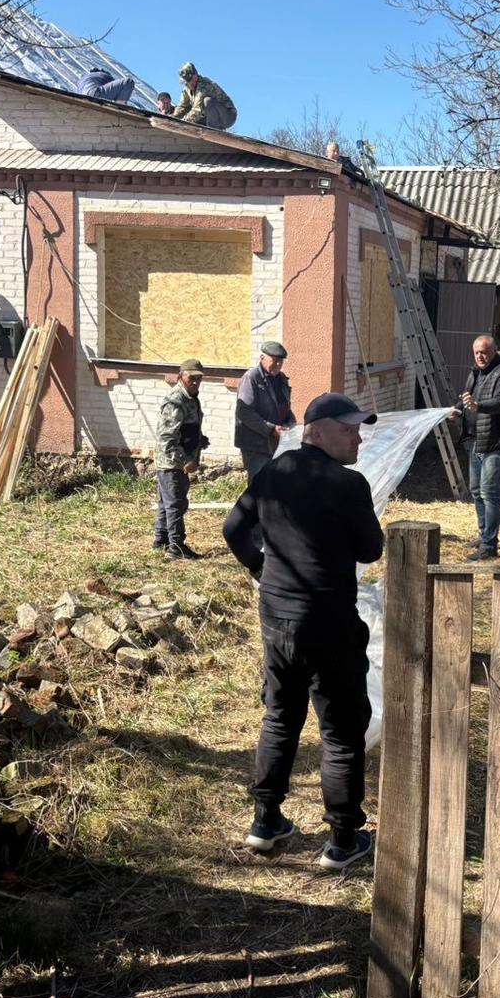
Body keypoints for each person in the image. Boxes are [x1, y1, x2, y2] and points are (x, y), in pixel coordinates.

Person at [222, 392, 382, 871]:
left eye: (359, 430)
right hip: (329, 622)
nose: (358, 438)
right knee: (341, 731)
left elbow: (233, 529)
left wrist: (261, 568)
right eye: (349, 429)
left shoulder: (274, 472)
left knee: (280, 716)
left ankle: (266, 822)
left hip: (277, 618)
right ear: (318, 430)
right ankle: (343, 840)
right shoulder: (348, 484)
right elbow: (371, 550)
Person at [457, 334, 500, 560]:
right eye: (476, 352)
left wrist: (478, 406)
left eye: (484, 352)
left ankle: (489, 546)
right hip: (475, 440)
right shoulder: (475, 372)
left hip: (496, 441)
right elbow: (467, 399)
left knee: (489, 492)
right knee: (476, 490)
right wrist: (457, 409)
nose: (480, 356)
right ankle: (484, 534)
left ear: (494, 351)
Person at [153, 359, 209, 560]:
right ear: (180, 376)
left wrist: (200, 439)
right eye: (191, 377)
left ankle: (161, 540)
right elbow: (166, 438)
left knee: (166, 503)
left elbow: (185, 428)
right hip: (172, 463)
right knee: (176, 504)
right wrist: (185, 460)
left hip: (177, 461)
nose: (195, 382)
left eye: (198, 378)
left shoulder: (191, 398)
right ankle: (176, 547)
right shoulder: (176, 400)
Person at [234, 341, 295, 480]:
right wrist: (271, 429)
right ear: (262, 358)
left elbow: (285, 406)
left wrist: (290, 423)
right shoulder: (251, 378)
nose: (278, 364)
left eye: (281, 361)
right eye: (274, 360)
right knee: (259, 484)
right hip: (257, 444)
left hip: (277, 442)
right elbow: (244, 412)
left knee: (274, 483)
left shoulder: (282, 379)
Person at [171, 62, 238, 130]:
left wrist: (182, 123)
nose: (188, 84)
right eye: (186, 82)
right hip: (208, 116)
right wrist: (172, 118)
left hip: (228, 116)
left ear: (195, 76)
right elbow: (183, 106)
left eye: (190, 80)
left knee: (207, 101)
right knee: (195, 120)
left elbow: (197, 110)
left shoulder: (204, 85)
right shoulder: (187, 89)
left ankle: (213, 131)